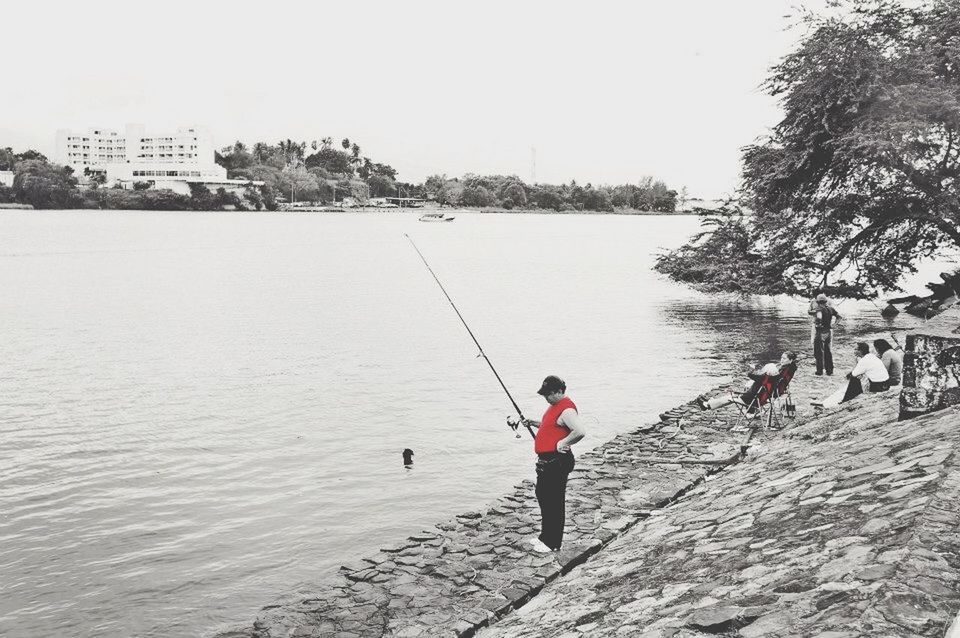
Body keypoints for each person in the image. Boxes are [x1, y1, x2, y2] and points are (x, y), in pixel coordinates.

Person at [522, 375, 586, 553]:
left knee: (554, 502)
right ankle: (545, 537)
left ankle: (553, 543)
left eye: (548, 394)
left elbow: (579, 431)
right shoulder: (554, 407)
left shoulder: (566, 409)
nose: (546, 398)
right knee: (543, 496)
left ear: (559, 391)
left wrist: (563, 443)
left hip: (557, 462)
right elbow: (552, 426)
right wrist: (534, 423)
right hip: (547, 462)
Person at [699, 352, 798, 411]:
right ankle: (709, 403)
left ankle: (707, 405)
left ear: (790, 360)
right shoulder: (786, 371)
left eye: (784, 358)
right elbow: (770, 379)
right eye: (781, 358)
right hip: (763, 396)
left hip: (753, 399)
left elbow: (754, 376)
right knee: (732, 396)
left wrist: (752, 370)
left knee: (730, 397)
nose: (781, 360)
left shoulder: (769, 378)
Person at [811, 293, 842, 376]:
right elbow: (839, 317)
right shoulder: (831, 309)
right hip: (828, 332)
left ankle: (819, 372)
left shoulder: (819, 308)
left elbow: (819, 317)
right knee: (828, 351)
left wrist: (818, 323)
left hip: (820, 332)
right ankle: (829, 370)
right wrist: (834, 325)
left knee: (818, 352)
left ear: (818, 301)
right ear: (825, 301)